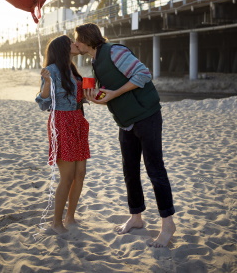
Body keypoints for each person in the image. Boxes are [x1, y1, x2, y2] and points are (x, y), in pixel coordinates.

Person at [74, 23, 176, 248]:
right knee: (129, 171)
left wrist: (114, 93)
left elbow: (143, 74)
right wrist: (98, 98)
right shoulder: (95, 61)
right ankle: (137, 217)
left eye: (76, 40)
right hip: (126, 122)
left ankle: (168, 224)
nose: (75, 44)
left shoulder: (115, 52)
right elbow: (111, 94)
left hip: (146, 115)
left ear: (86, 39)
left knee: (155, 170)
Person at [35, 35, 90, 234]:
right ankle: (56, 223)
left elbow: (78, 96)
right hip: (61, 123)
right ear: (62, 49)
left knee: (80, 174)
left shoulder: (73, 70)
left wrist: (89, 95)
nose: (75, 44)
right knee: (67, 176)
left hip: (77, 121)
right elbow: (43, 103)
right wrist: (48, 84)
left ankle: (70, 217)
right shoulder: (51, 71)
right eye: (71, 43)